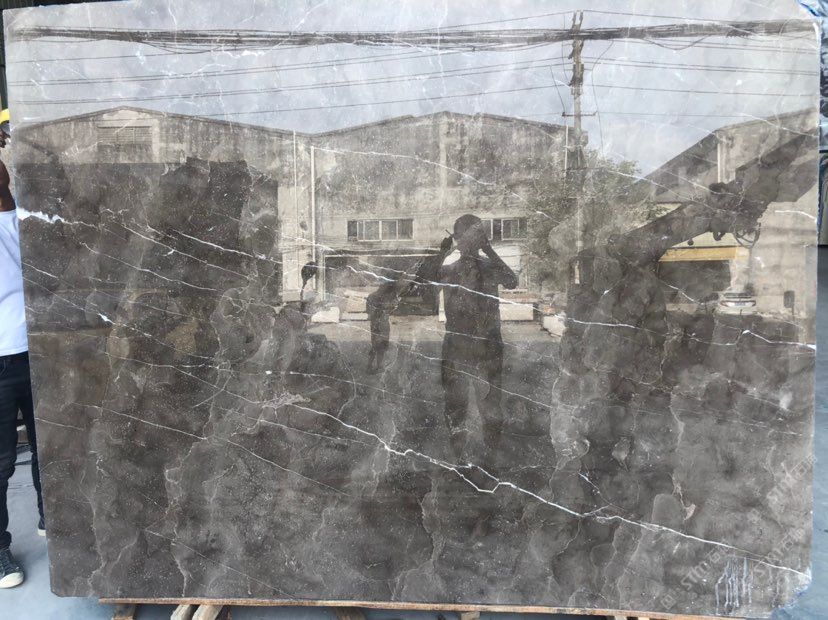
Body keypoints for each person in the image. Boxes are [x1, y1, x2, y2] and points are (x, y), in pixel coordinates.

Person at [0, 142, 45, 588]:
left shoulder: (26, 219)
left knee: (52, 446)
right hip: (0, 360)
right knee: (1, 462)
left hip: (43, 353)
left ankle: (55, 519)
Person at [438, 214, 517, 461]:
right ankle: (460, 458)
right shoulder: (449, 269)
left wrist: (488, 249)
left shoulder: (487, 267)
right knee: (457, 405)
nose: (473, 241)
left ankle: (488, 458)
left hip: (483, 348)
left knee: (488, 405)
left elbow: (512, 281)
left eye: (478, 236)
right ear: (458, 238)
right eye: (471, 235)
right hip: (461, 347)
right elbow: (424, 285)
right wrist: (445, 252)